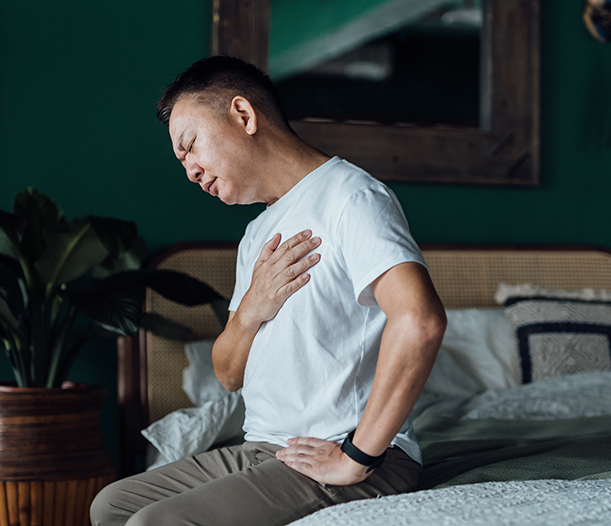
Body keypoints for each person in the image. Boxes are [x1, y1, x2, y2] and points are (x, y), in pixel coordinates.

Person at [91, 55, 447, 526]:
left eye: (190, 146)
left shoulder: (351, 196)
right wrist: (251, 309)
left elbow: (420, 320)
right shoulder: (258, 234)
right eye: (183, 161)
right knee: (111, 507)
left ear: (243, 115)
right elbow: (227, 374)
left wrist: (357, 455)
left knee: (154, 524)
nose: (190, 172)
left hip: (345, 449)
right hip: (264, 448)